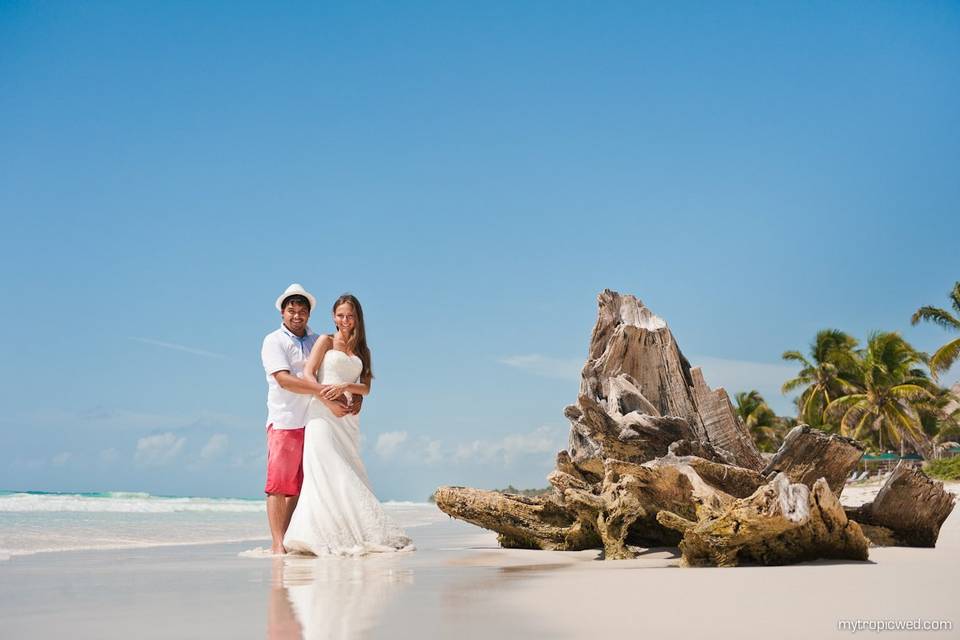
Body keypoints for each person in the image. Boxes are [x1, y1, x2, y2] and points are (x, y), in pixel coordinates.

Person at [283, 293, 413, 555]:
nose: (345, 320)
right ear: (333, 316)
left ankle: (353, 531)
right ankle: (316, 534)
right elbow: (308, 373)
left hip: (348, 419)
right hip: (321, 414)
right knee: (325, 471)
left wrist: (346, 387)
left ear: (357, 319)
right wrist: (324, 394)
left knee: (350, 469)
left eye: (350, 316)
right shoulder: (326, 341)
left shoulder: (364, 350)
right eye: (340, 315)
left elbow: (365, 388)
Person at [260, 283, 361, 555]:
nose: (297, 316)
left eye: (302, 311)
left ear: (309, 314)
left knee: (303, 485)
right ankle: (277, 543)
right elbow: (284, 380)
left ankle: (291, 536)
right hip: (286, 419)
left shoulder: (318, 339)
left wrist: (355, 396)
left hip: (317, 421)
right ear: (282, 313)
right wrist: (324, 394)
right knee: (279, 485)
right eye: (291, 311)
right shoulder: (274, 341)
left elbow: (339, 373)